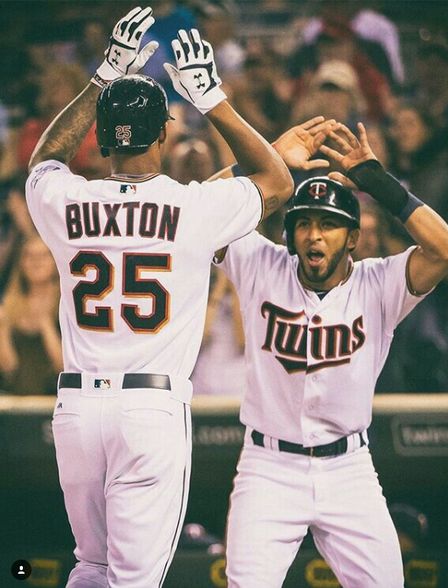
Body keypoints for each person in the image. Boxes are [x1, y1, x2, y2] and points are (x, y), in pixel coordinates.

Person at [24, 6, 298, 587]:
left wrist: (103, 75)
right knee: (134, 579)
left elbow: (44, 158)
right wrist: (212, 98)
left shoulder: (67, 201)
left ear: (99, 137)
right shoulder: (193, 207)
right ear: (165, 133)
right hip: (148, 411)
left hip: (75, 410)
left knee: (89, 566)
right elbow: (277, 180)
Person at [213, 122, 448, 586]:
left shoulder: (379, 283)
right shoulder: (263, 265)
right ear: (290, 233)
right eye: (304, 222)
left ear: (353, 237)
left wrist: (377, 181)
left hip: (348, 469)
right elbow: (197, 215)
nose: (314, 235)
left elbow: (447, 248)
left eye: (329, 224)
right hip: (268, 468)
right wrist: (264, 160)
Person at [0, 235, 62, 395]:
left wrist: (45, 325)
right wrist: (2, 329)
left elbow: (64, 367)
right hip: (17, 401)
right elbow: (8, 367)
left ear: (56, 261)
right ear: (21, 262)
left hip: (56, 399)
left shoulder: (66, 304)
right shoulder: (9, 304)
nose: (36, 262)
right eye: (29, 255)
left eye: (43, 255)